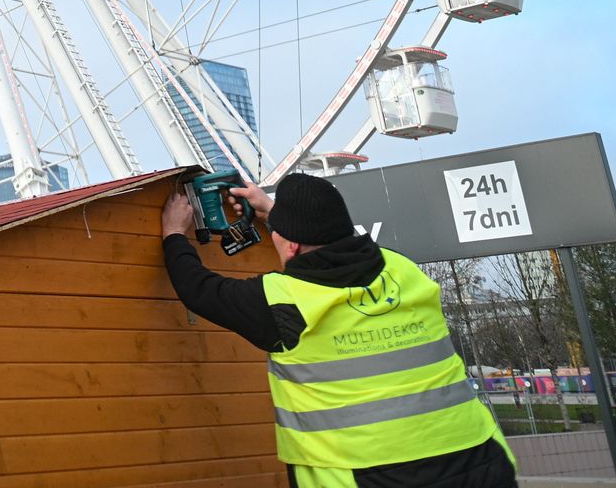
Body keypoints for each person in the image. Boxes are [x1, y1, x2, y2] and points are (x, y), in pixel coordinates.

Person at [161, 172, 516, 488]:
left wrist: (175, 232)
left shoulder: (282, 303)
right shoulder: (403, 270)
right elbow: (327, 238)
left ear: (291, 244)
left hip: (363, 474)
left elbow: (198, 289)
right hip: (480, 460)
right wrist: (276, 211)